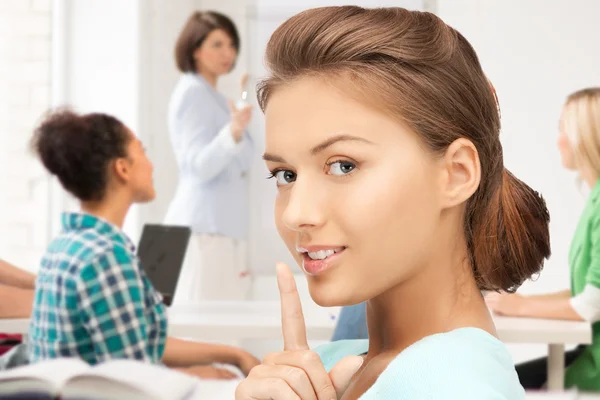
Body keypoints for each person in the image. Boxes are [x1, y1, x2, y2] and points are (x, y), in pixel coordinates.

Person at [235, 6, 551, 399]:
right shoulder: (333, 366)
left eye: (343, 166)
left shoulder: (451, 387)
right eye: (286, 175)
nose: (297, 213)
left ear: (456, 174)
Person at [28, 109, 259, 379]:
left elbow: (145, 343)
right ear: (122, 169)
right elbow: (135, 380)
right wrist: (210, 375)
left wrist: (232, 355)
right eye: (143, 151)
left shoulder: (65, 246)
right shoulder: (107, 258)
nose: (151, 164)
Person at [487, 87, 600, 391]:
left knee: (501, 387)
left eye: (563, 128)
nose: (559, 140)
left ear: (585, 136)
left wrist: (522, 309)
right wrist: (521, 302)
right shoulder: (594, 200)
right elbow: (585, 291)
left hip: (595, 366)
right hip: (588, 352)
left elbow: (592, 303)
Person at [165, 11, 254, 303]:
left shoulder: (212, 95)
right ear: (195, 49)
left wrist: (236, 133)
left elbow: (241, 163)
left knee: (216, 333)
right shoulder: (193, 92)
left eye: (231, 44)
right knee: (205, 336)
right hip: (202, 232)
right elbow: (198, 166)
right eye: (217, 44)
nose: (227, 53)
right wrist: (233, 133)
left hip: (215, 231)